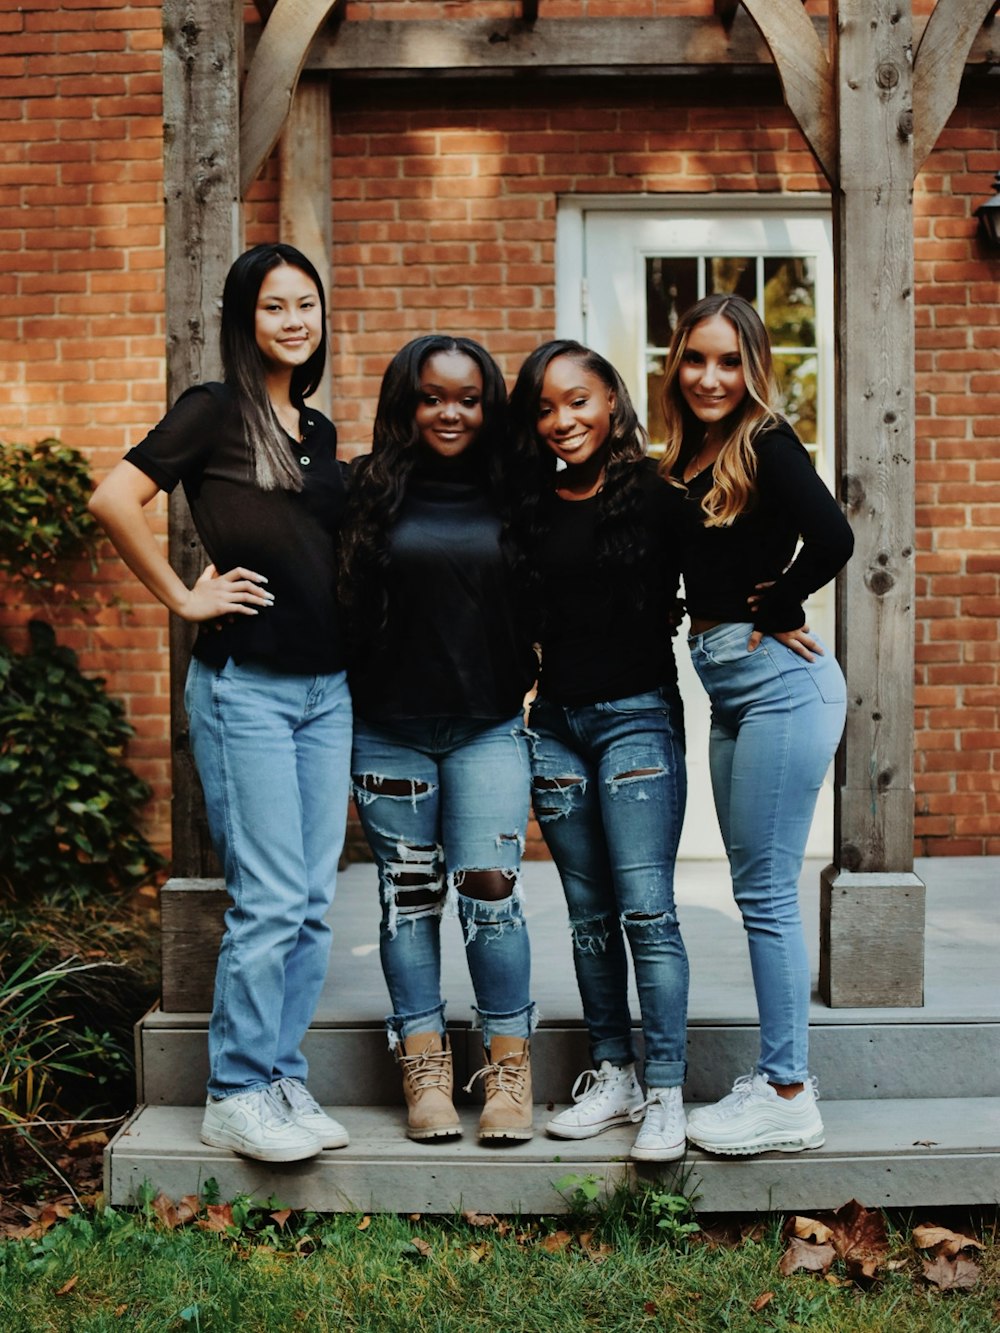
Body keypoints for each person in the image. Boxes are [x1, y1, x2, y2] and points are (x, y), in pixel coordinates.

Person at [88, 243, 352, 1164]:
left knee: (313, 898)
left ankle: (280, 1072)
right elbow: (114, 496)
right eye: (275, 306)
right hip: (248, 688)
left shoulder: (316, 433)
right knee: (271, 896)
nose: (293, 320)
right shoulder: (212, 410)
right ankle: (234, 1088)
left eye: (307, 305)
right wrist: (184, 595)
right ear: (246, 319)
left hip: (327, 690)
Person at [658, 292, 854, 1156]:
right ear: (677, 364)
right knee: (756, 890)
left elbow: (835, 535)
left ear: (754, 368)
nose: (711, 376)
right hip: (732, 689)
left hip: (782, 685)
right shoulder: (691, 452)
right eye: (697, 358)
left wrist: (785, 595)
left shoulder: (767, 443)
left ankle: (786, 1091)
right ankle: (779, 1078)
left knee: (768, 895)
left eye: (729, 361)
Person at [339, 334, 538, 1143]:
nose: (449, 411)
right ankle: (423, 1069)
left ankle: (508, 1072)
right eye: (431, 396)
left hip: (487, 724)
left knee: (490, 886)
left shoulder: (518, 490)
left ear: (488, 406)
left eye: (467, 397)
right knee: (409, 897)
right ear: (406, 403)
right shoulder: (365, 489)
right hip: (389, 732)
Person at [508, 340, 689, 1162]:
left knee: (647, 909)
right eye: (544, 408)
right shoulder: (532, 504)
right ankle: (612, 1073)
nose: (562, 420)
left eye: (577, 400)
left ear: (612, 401)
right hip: (556, 730)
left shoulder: (657, 493)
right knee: (588, 917)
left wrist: (780, 608)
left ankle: (667, 1090)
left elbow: (738, 557)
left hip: (636, 722)